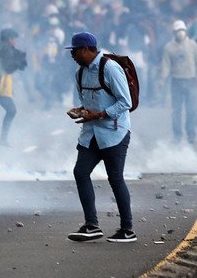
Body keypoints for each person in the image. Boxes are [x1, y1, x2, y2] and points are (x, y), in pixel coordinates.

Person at [64, 32, 136, 243]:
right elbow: (88, 103)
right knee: (80, 172)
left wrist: (101, 114)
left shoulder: (110, 69)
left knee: (115, 178)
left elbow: (126, 102)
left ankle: (127, 229)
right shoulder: (80, 73)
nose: (73, 56)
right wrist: (81, 111)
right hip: (91, 133)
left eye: (75, 51)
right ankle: (91, 225)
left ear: (86, 50)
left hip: (114, 132)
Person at [161, 20, 197, 144]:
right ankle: (177, 135)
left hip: (190, 80)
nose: (180, 33)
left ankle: (191, 135)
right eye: (178, 31)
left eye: (182, 31)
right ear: (174, 32)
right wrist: (162, 80)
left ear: (185, 31)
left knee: (191, 110)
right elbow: (166, 65)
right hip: (176, 81)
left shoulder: (193, 45)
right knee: (177, 111)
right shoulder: (169, 47)